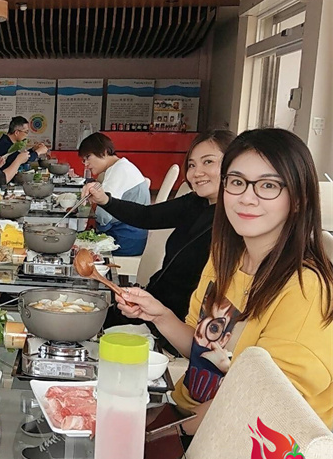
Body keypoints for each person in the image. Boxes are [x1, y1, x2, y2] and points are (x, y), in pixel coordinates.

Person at [117, 128, 333, 432]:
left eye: (268, 185)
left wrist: (160, 435)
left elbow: (262, 403)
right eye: (237, 182)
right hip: (188, 413)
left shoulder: (306, 289)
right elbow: (203, 352)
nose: (247, 198)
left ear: (298, 199)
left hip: (238, 444)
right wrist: (160, 315)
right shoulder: (224, 260)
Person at [82, 130, 236, 327]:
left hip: (178, 322)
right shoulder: (197, 202)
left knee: (89, 324)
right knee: (87, 318)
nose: (197, 172)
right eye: (192, 164)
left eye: (208, 162)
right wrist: (106, 200)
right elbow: (147, 216)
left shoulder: (234, 224)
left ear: (235, 164)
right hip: (154, 304)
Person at [78, 132, 149, 256]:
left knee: (75, 247)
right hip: (131, 236)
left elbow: (103, 217)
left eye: (88, 157)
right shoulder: (121, 166)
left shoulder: (119, 170)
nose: (86, 164)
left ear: (104, 152)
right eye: (84, 160)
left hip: (125, 240)